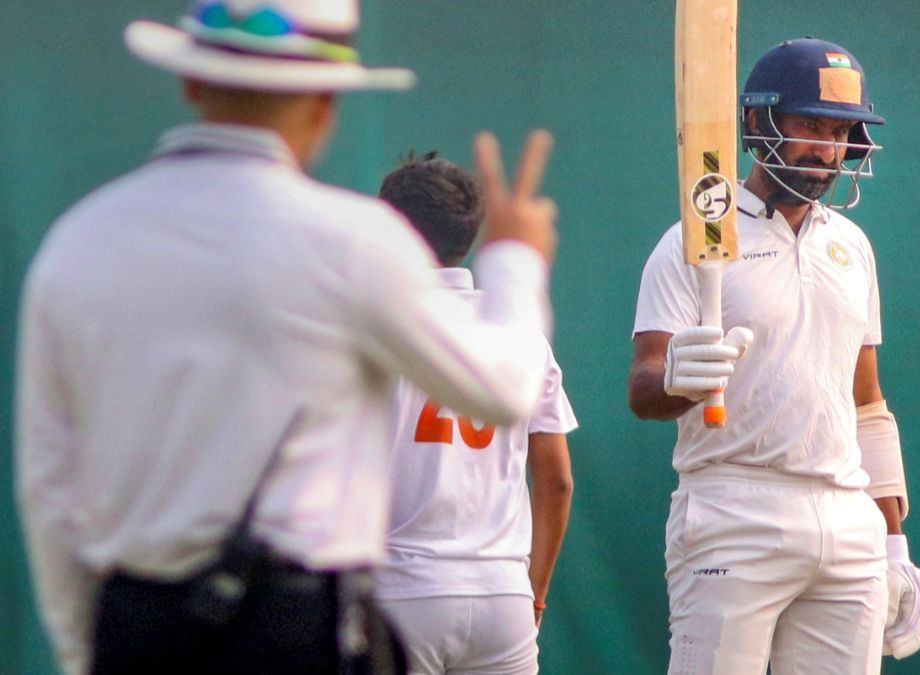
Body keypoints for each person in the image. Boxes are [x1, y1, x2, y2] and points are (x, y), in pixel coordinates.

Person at [15, 2, 558, 674]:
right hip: (297, 623)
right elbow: (502, 390)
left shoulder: (80, 241)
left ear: (190, 81)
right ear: (326, 102)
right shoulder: (355, 243)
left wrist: (84, 647)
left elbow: (50, 482)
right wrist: (514, 259)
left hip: (136, 619)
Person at [628, 38, 920, 674]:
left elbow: (866, 401)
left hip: (846, 514)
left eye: (840, 132)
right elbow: (644, 386)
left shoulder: (852, 245)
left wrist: (893, 542)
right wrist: (677, 379)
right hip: (733, 507)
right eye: (809, 127)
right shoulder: (694, 238)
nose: (826, 149)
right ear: (757, 122)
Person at [372, 154, 577, 674]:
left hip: (400, 591)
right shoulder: (518, 333)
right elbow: (556, 481)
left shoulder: (375, 327)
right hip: (501, 596)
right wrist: (534, 592)